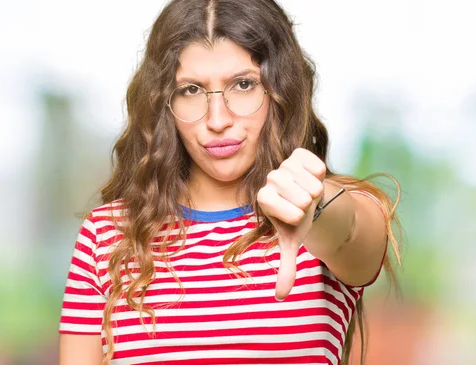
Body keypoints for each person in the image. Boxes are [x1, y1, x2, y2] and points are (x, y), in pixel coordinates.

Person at [58, 0, 401, 364]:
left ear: (279, 91)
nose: (218, 119)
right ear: (164, 104)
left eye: (243, 84)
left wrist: (313, 207)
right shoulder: (106, 234)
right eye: (191, 90)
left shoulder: (332, 211)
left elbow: (348, 229)